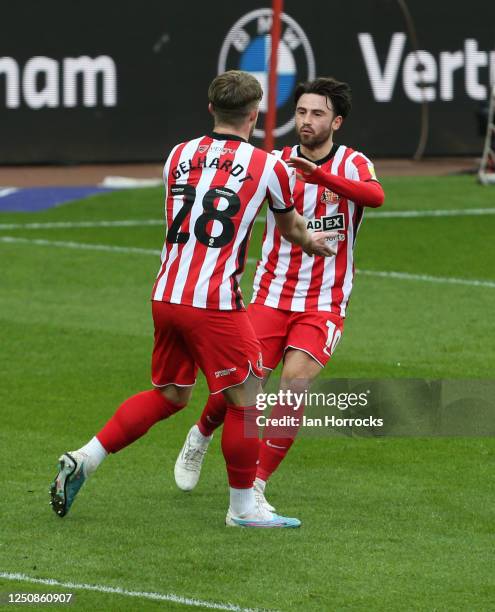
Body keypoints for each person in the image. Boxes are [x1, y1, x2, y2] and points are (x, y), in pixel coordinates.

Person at [49, 70, 336, 528]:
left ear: (211, 110)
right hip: (214, 300)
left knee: (170, 394)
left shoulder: (177, 155)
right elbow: (289, 228)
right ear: (255, 114)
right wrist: (312, 243)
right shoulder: (269, 166)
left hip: (165, 294)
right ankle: (243, 508)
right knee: (247, 399)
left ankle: (86, 457)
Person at [173, 77, 385, 513]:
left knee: (295, 385)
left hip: (324, 302)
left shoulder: (353, 164)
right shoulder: (273, 162)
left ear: (337, 122)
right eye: (303, 112)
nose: (307, 121)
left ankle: (256, 486)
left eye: (318, 114)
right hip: (270, 295)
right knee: (242, 387)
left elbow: (375, 196)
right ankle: (201, 434)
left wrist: (321, 175)